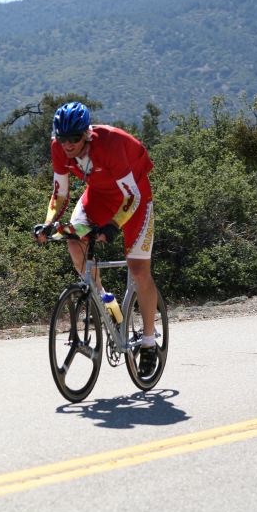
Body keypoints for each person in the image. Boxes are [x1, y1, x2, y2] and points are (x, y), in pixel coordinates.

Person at [33, 101, 160, 376]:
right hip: (99, 197)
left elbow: (132, 196)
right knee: (72, 239)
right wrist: (48, 223)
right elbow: (60, 193)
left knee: (139, 271)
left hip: (134, 198)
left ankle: (149, 342)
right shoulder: (59, 148)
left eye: (74, 139)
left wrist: (114, 225)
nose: (67, 145)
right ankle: (106, 302)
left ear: (86, 135)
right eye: (62, 138)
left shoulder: (110, 145)